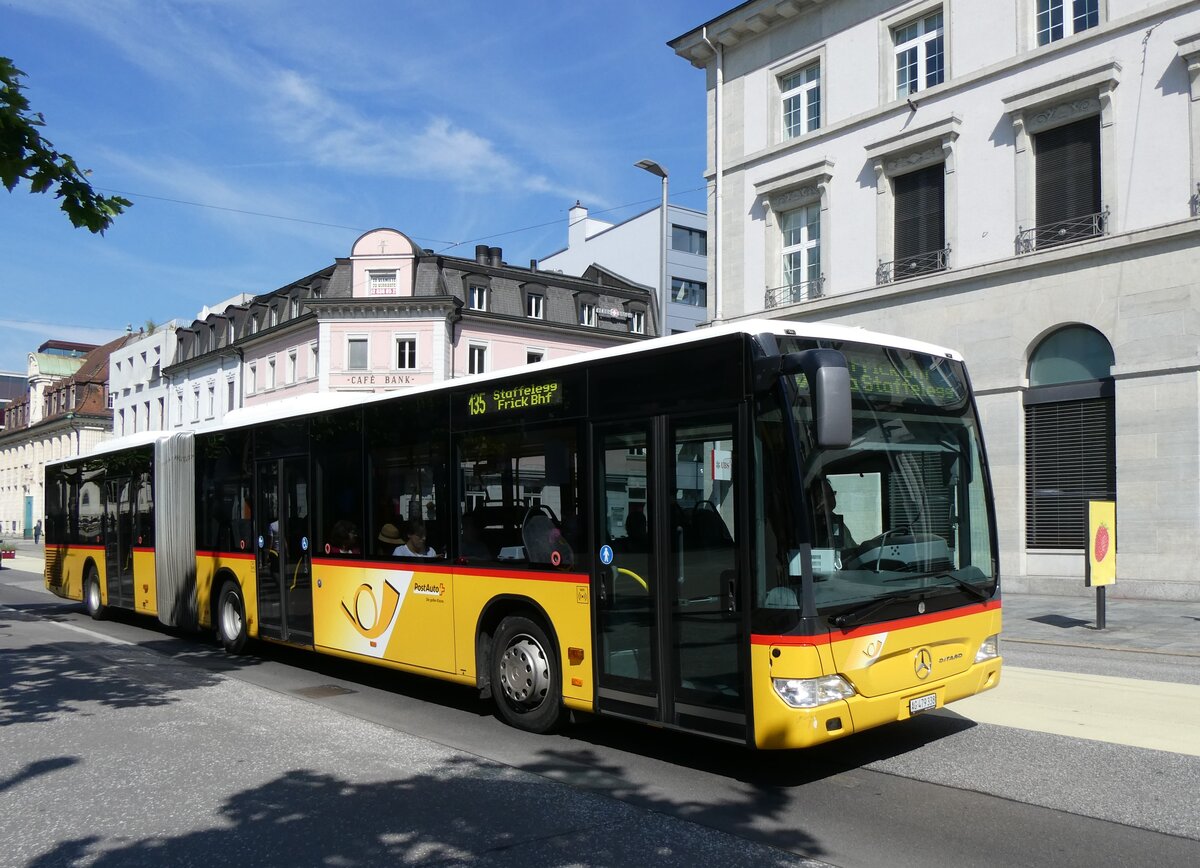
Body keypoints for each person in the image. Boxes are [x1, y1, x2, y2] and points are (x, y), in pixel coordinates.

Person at [812, 478, 856, 551]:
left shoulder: (835, 519)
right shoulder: (814, 524)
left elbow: (851, 547)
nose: (830, 499)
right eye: (824, 496)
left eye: (831, 494)